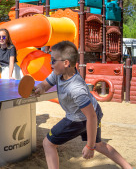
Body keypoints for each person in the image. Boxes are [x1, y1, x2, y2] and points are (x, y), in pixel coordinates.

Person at [33, 41, 132, 169]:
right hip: (93, 110)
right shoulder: (59, 74)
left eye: (53, 60)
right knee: (99, 145)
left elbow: (91, 118)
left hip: (80, 119)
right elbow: (45, 84)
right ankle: (128, 167)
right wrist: (40, 88)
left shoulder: (76, 89)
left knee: (48, 143)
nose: (50, 64)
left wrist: (90, 146)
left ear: (66, 63)